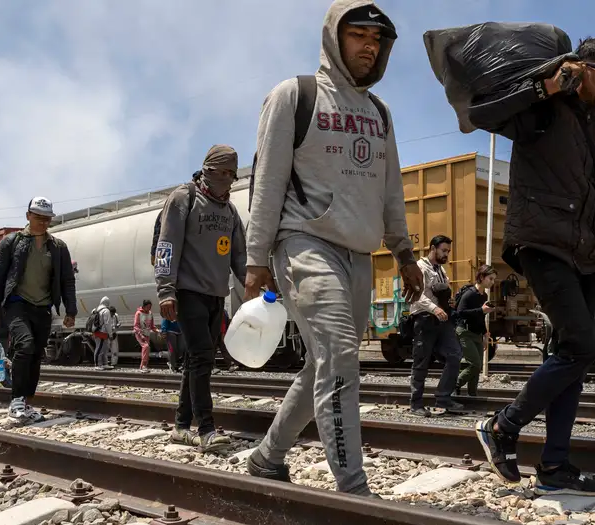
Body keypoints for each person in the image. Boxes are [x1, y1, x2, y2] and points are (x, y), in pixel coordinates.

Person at [241, 0, 422, 497]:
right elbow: (268, 180)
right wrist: (257, 260)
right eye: (358, 34)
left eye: (377, 39)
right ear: (334, 38)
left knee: (323, 362)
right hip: (305, 242)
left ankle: (267, 457)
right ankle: (353, 487)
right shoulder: (295, 95)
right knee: (341, 352)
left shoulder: (378, 113)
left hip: (359, 253)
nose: (369, 46)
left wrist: (404, 253)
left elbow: (389, 189)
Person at [467, 38, 595, 495]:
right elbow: (479, 115)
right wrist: (542, 86)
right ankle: (503, 426)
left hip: (584, 255)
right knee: (583, 345)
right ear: (581, 67)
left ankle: (555, 467)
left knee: (573, 357)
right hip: (541, 243)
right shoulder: (543, 110)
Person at [155, 144, 246, 453]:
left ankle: (181, 427)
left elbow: (240, 257)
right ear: (206, 170)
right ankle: (206, 429)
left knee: (195, 361)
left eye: (231, 175)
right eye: (221, 173)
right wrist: (166, 290)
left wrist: (256, 289)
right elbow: (166, 246)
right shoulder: (184, 199)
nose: (226, 180)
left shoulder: (231, 212)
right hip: (187, 292)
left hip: (216, 295)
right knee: (204, 357)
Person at [0, 197, 78, 424]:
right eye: (39, 218)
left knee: (37, 354)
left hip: (43, 307)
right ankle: (16, 400)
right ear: (28, 216)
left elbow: (67, 280)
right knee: (24, 346)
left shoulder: (58, 247)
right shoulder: (11, 242)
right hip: (17, 304)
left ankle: (26, 403)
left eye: (47, 219)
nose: (43, 223)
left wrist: (71, 310)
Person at [408, 235, 465, 416]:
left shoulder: (440, 270)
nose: (446, 254)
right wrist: (434, 309)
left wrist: (449, 303)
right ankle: (416, 404)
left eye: (448, 251)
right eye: (444, 250)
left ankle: (443, 398)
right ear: (433, 248)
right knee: (421, 362)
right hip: (425, 318)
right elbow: (417, 294)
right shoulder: (419, 267)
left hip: (442, 319)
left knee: (455, 354)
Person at [455, 265, 497, 397]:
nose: (492, 282)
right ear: (482, 277)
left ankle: (472, 394)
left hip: (476, 333)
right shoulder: (469, 294)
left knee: (476, 366)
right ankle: (454, 385)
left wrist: (485, 334)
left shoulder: (483, 295)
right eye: (490, 279)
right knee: (475, 364)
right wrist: (481, 310)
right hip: (465, 332)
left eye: (493, 279)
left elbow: (480, 317)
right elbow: (460, 313)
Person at [132, 300, 158, 373]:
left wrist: (158, 331)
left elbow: (152, 326)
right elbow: (136, 326)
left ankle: (143, 366)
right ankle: (143, 366)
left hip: (147, 334)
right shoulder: (138, 313)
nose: (149, 308)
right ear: (144, 306)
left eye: (150, 307)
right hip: (139, 334)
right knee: (146, 347)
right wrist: (141, 335)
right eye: (148, 307)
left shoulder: (150, 313)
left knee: (147, 349)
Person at [92, 296, 115, 370]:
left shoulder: (96, 309)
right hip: (102, 332)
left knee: (103, 349)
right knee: (100, 349)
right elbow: (107, 323)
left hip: (97, 331)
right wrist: (110, 334)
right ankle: (97, 364)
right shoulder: (106, 311)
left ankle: (104, 363)